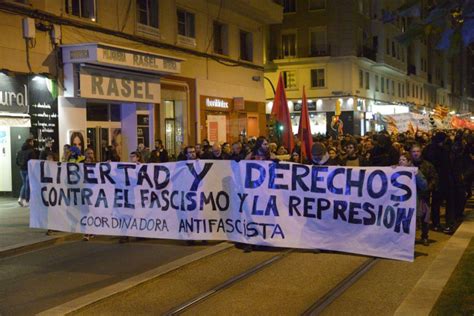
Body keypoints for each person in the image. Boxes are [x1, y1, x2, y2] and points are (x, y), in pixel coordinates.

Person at [410, 145, 438, 246]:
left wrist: (428, 188)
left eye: (418, 151)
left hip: (423, 195)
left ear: (421, 152)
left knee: (424, 216)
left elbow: (434, 178)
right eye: (413, 151)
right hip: (410, 196)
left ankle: (425, 236)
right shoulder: (408, 165)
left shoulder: (427, 165)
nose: (416, 153)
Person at [16, 138, 36, 207]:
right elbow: (33, 161)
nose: (33, 143)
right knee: (27, 185)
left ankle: (20, 198)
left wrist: (21, 165)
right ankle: (26, 200)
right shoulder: (31, 151)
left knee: (24, 184)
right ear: (30, 142)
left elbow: (17, 162)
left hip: (22, 170)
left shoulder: (20, 151)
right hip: (28, 169)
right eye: (32, 142)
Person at [82, 148, 96, 241]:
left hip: (95, 192)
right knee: (86, 212)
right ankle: (87, 232)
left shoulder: (97, 164)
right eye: (88, 153)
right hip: (85, 192)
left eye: (91, 153)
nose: (90, 155)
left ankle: (92, 230)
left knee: (93, 212)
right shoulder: (80, 165)